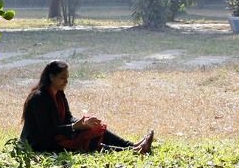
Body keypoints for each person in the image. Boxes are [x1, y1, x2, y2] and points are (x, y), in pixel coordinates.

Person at [20, 60, 154, 154]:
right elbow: (47, 131)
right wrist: (74, 127)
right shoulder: (39, 98)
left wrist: (83, 123)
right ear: (51, 77)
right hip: (41, 142)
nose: (66, 82)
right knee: (88, 142)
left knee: (95, 127)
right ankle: (132, 151)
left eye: (67, 78)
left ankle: (132, 145)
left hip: (59, 134)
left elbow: (68, 117)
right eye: (62, 78)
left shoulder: (59, 94)